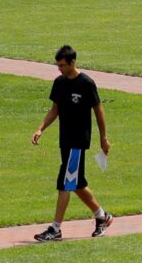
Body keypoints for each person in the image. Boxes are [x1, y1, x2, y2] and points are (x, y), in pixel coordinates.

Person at [30, 44, 113, 240]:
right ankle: (102, 216)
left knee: (65, 184)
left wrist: (103, 138)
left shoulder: (86, 83)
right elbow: (55, 109)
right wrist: (40, 128)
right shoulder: (59, 83)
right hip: (65, 140)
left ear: (73, 62)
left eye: (62, 65)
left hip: (78, 141)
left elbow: (98, 111)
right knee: (76, 183)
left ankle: (55, 229)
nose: (59, 68)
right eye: (58, 65)